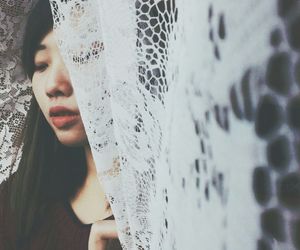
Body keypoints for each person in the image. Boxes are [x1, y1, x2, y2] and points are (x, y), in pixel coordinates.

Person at [0, 0, 122, 249]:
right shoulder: (12, 205)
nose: (53, 85)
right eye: (41, 65)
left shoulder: (173, 207)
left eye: (82, 56)